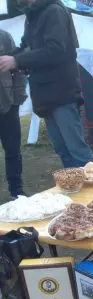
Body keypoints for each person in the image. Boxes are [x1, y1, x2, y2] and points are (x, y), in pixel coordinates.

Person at [0, 0, 93, 168]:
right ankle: (74, 184)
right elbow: (26, 47)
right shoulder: (33, 14)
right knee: (62, 149)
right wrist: (9, 59)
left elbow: (55, 50)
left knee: (77, 151)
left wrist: (16, 60)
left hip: (61, 92)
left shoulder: (54, 11)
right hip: (44, 93)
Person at [0, 30, 27, 199]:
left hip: (7, 102)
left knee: (13, 150)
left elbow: (17, 68)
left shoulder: (3, 37)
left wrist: (18, 97)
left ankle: (16, 192)